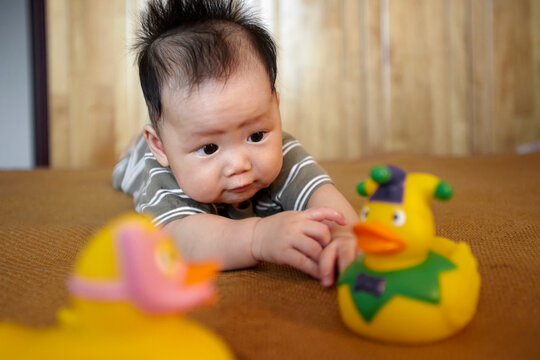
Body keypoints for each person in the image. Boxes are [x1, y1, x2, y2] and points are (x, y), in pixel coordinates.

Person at [113, 0, 358, 287]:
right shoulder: (162, 174)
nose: (239, 165)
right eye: (209, 148)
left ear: (275, 108)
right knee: (127, 169)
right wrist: (258, 236)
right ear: (161, 147)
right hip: (143, 161)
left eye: (255, 136)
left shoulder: (283, 153)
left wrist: (345, 236)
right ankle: (135, 149)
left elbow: (324, 199)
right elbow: (180, 241)